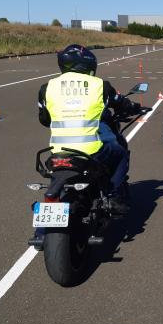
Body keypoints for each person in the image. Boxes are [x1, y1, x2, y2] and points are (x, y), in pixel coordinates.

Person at [37, 44, 142, 213]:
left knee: (52, 183)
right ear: (88, 66)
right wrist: (135, 107)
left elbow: (44, 119)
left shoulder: (46, 88)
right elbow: (122, 104)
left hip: (57, 153)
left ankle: (42, 228)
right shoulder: (100, 86)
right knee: (121, 154)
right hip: (91, 151)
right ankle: (113, 196)